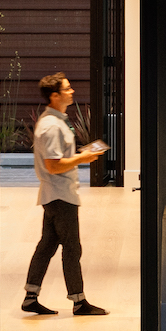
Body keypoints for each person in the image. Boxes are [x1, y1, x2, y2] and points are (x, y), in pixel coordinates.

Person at [20, 71, 109, 318]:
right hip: (60, 196)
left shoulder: (56, 121)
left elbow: (58, 160)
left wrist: (80, 154)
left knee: (47, 245)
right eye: (67, 89)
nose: (72, 92)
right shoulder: (51, 126)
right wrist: (83, 157)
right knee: (72, 248)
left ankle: (30, 296)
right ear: (54, 95)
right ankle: (79, 302)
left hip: (56, 194)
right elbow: (54, 165)